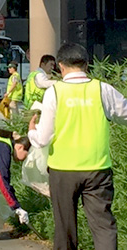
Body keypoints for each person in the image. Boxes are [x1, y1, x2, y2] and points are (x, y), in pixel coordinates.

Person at [28, 43, 127, 250]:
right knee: (103, 227)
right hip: (97, 168)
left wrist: (31, 132)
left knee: (65, 228)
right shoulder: (102, 89)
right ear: (87, 65)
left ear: (61, 66)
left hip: (63, 170)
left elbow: (44, 138)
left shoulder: (54, 92)